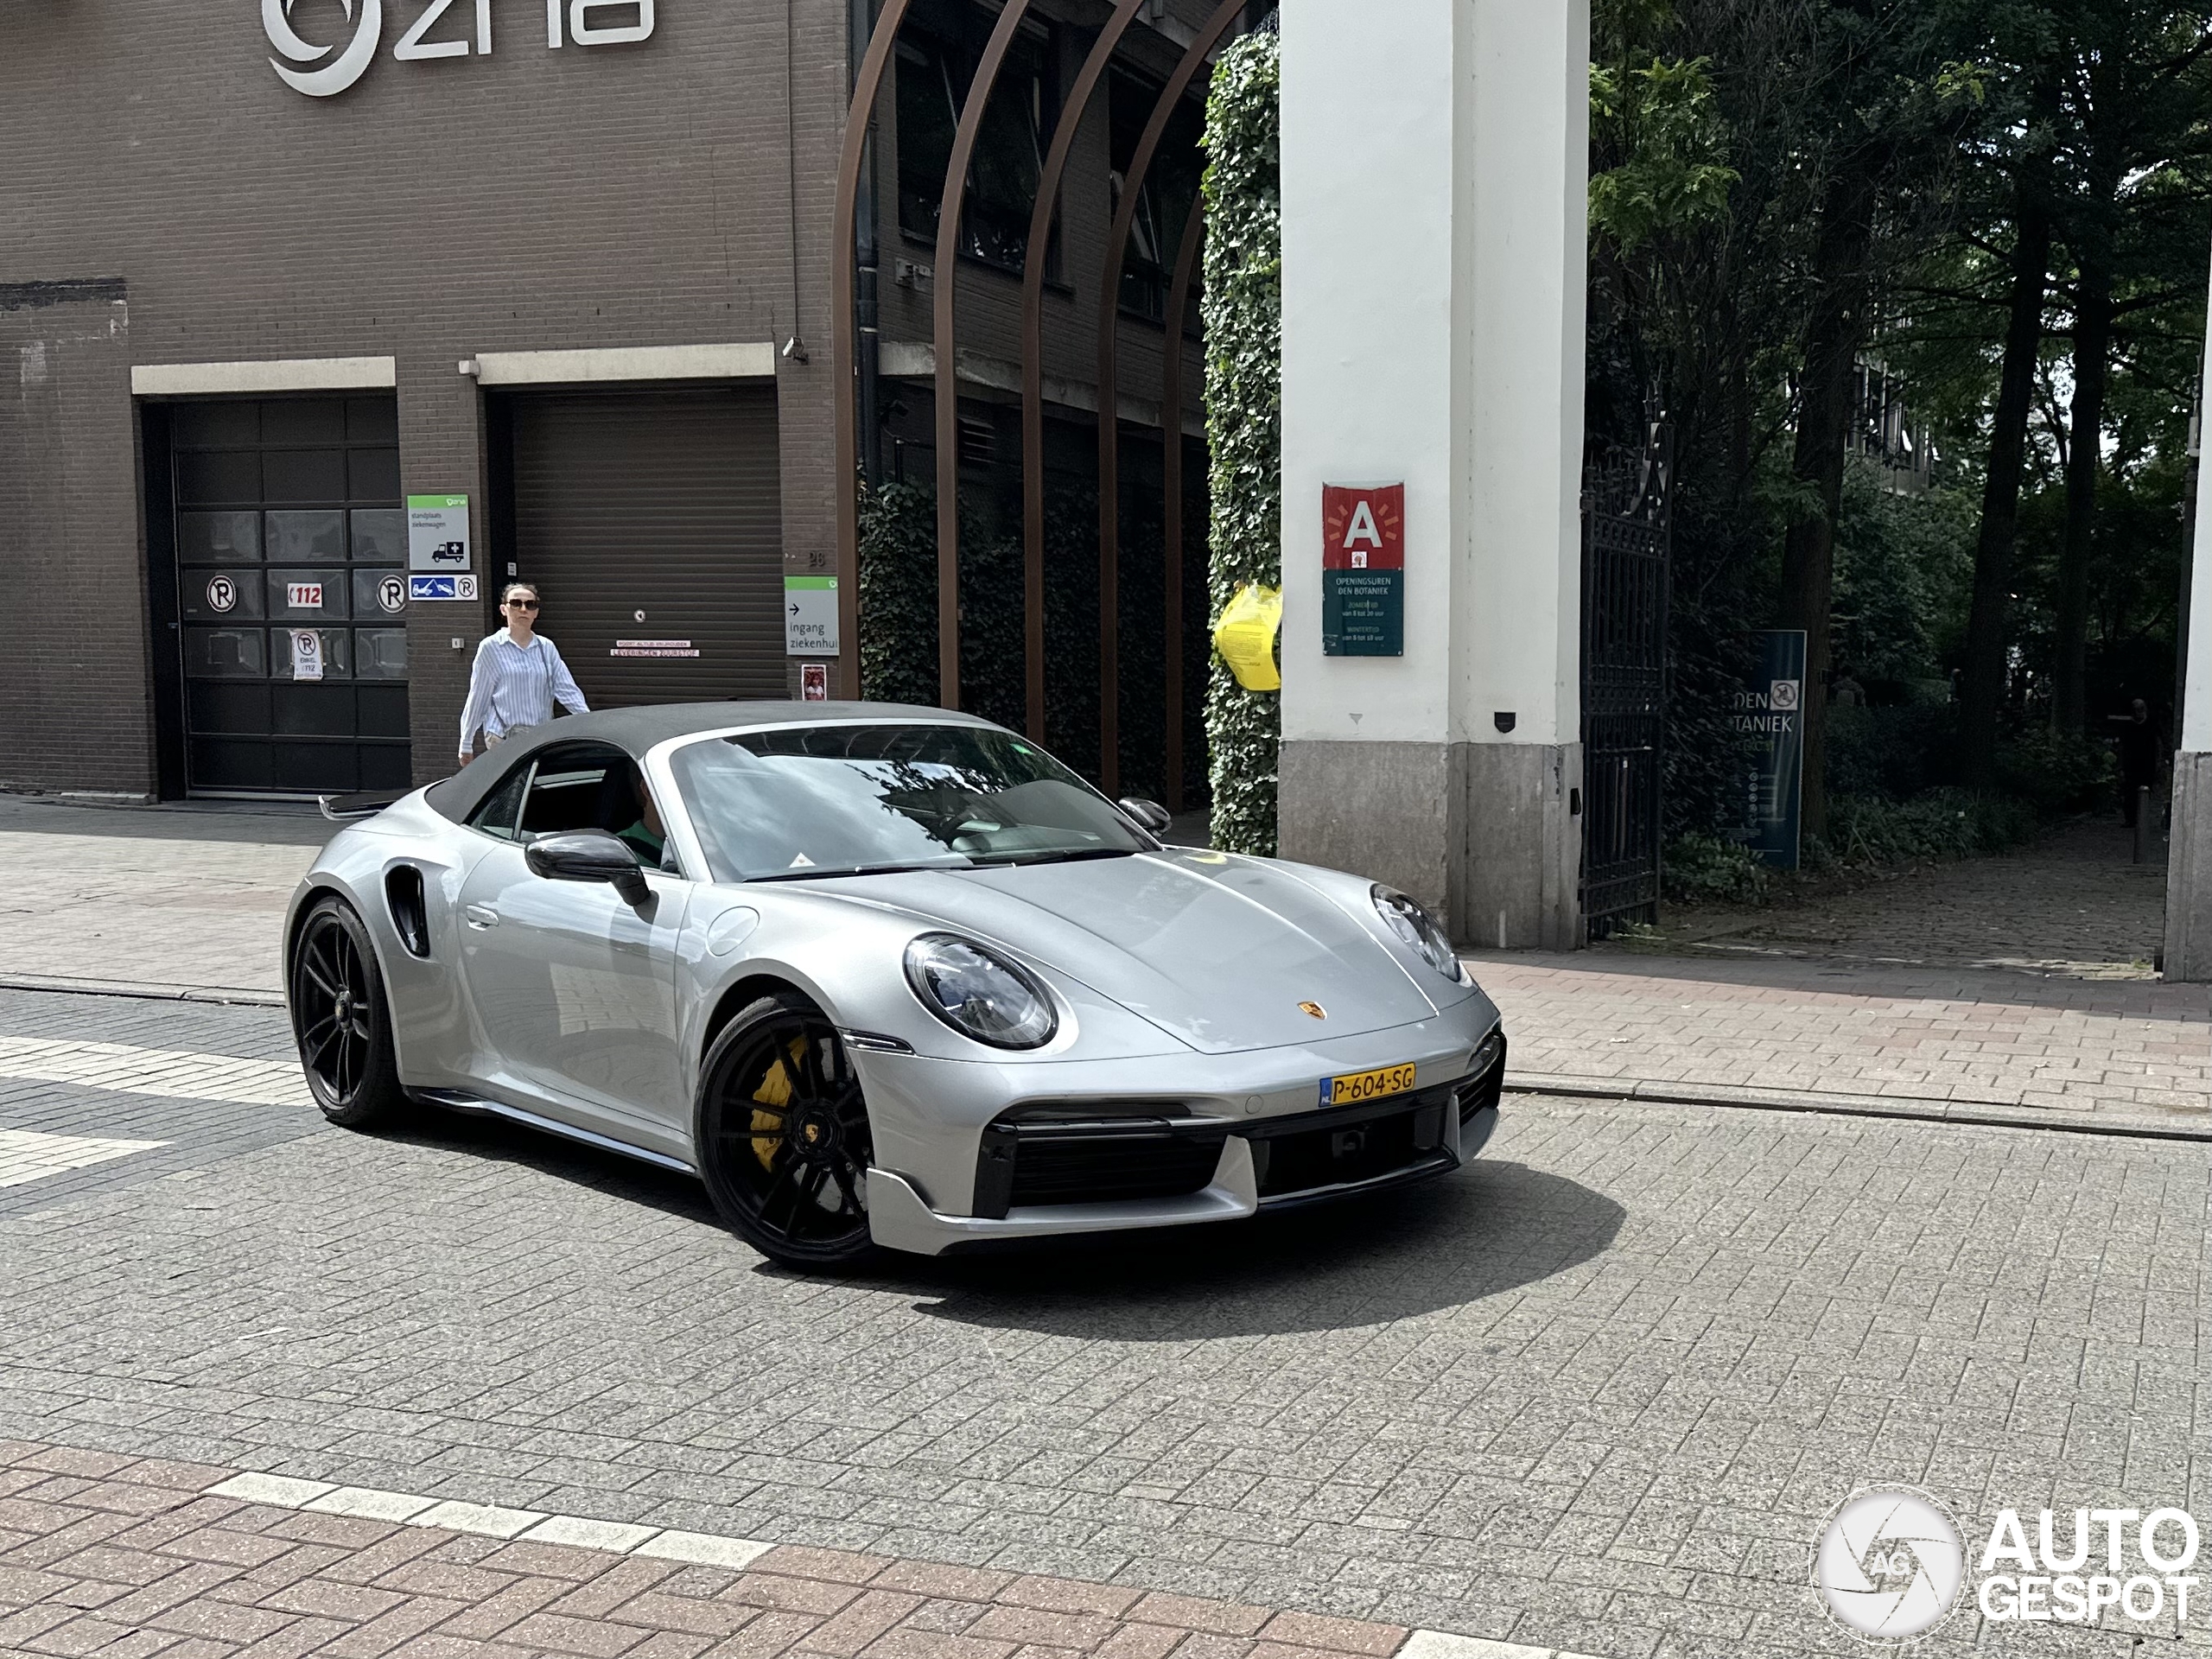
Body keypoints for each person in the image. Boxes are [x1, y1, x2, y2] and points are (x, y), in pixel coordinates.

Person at [458, 583, 590, 767]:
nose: (523, 609)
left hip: (539, 737)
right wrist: (466, 743)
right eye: (516, 603)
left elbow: (567, 690)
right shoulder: (491, 648)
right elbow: (478, 697)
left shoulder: (546, 648)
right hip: (503, 737)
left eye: (530, 605)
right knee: (513, 791)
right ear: (504, 609)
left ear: (536, 612)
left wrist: (589, 723)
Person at [2107, 697, 2160, 828]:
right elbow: (2122, 747)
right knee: (2130, 794)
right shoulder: (2128, 726)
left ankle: (2142, 818)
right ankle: (2130, 819)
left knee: (2145, 792)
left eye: (2141, 709)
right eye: (2136, 710)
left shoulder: (2152, 724)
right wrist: (2120, 766)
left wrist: (2158, 763)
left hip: (2148, 764)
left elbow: (2158, 745)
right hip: (2131, 765)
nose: (2138, 712)